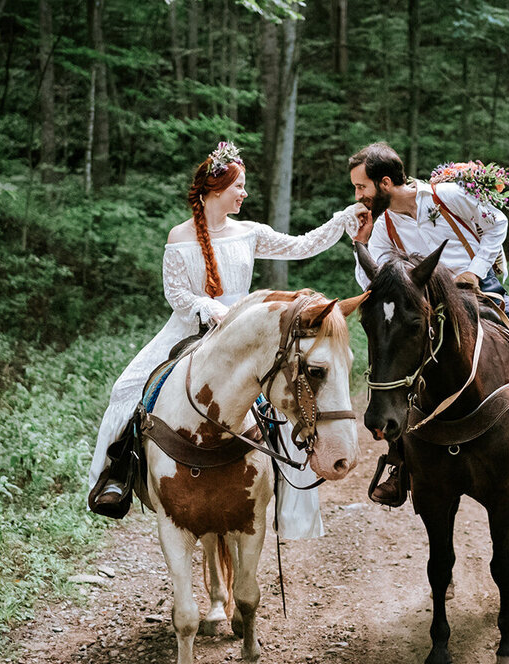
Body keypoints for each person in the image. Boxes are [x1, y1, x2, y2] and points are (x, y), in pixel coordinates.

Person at [87, 142, 370, 521]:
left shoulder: (249, 232)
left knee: (286, 397)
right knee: (126, 389)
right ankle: (116, 478)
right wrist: (206, 306)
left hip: (246, 333)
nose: (244, 193)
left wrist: (342, 219)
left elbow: (302, 246)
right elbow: (176, 294)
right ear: (216, 188)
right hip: (190, 327)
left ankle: (286, 499)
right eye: (239, 186)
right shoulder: (179, 236)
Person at [347, 141, 509, 505]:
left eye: (362, 187)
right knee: (397, 361)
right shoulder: (383, 225)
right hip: (432, 309)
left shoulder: (447, 196)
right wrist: (359, 244)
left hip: (482, 294)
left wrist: (474, 270)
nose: (358, 196)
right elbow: (374, 283)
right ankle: (398, 463)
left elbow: (497, 223)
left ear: (386, 183)